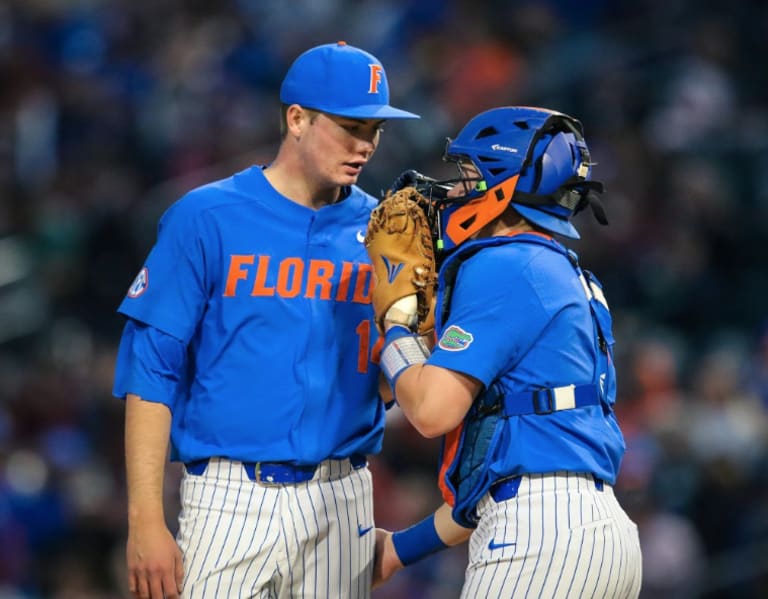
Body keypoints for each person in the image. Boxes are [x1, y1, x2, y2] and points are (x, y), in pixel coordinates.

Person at [112, 41, 419, 599]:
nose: (366, 145)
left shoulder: (386, 232)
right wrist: (145, 520)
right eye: (351, 126)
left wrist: (411, 325)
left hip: (342, 493)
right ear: (296, 119)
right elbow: (149, 374)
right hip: (230, 498)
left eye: (375, 130)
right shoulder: (206, 217)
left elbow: (385, 384)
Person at [368, 106, 642, 597]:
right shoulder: (561, 270)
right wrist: (398, 551)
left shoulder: (505, 264)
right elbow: (503, 468)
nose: (453, 191)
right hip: (595, 534)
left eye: (469, 176)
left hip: (541, 536)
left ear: (502, 187)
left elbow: (431, 412)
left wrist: (396, 324)